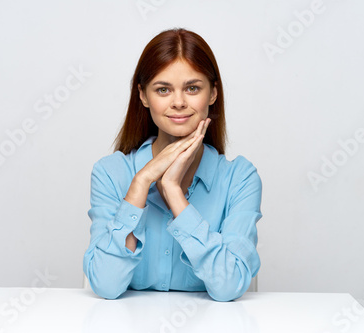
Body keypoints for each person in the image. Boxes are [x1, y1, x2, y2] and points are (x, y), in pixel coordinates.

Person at [83, 28, 263, 302]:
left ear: (213, 94)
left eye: (192, 88)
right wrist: (141, 184)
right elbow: (106, 286)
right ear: (143, 96)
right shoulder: (110, 172)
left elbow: (229, 286)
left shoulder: (239, 177)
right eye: (163, 89)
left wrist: (174, 193)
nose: (178, 102)